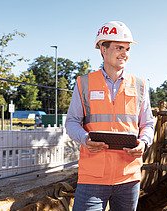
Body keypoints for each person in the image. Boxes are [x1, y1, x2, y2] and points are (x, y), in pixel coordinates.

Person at [65, 21, 155, 211]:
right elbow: (72, 122)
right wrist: (85, 138)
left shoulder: (140, 85)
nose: (125, 53)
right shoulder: (84, 83)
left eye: (127, 49)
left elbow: (148, 123)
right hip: (93, 177)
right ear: (102, 49)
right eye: (119, 48)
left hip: (128, 176)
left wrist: (144, 142)